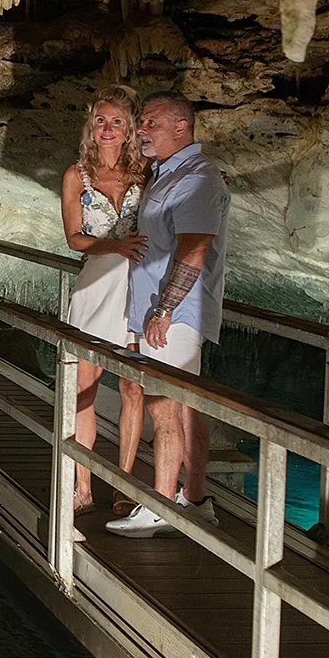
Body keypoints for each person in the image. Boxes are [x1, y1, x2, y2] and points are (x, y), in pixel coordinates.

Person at [106, 91, 231, 539]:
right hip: (164, 310)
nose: (141, 131)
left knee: (163, 408)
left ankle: (159, 505)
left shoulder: (197, 176)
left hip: (175, 313)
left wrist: (164, 309)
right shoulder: (170, 174)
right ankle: (194, 502)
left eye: (150, 123)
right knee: (181, 409)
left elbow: (194, 247)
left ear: (181, 127)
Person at [58, 86, 149, 512]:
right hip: (97, 285)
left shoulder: (146, 172)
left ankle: (124, 483)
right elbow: (75, 238)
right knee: (84, 385)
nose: (108, 129)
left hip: (136, 286)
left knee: (132, 386)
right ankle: (83, 485)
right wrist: (113, 246)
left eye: (116, 121)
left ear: (130, 128)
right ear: (90, 127)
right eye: (100, 121)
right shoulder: (77, 175)